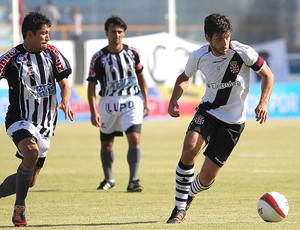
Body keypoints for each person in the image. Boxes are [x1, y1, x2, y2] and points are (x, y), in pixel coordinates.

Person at [166, 13, 274, 224]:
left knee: (206, 178)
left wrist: (263, 102)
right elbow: (184, 78)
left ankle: (188, 196)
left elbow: (268, 75)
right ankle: (179, 209)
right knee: (189, 149)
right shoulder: (199, 56)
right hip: (209, 112)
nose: (224, 43)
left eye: (226, 36)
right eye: (218, 38)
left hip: (233, 123)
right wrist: (173, 99)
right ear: (207, 38)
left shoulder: (243, 53)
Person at [0, 12, 74, 227]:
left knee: (30, 180)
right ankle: (19, 208)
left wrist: (66, 100)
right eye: (43, 33)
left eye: (48, 33)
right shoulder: (11, 58)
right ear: (29, 35)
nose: (47, 38)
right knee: (30, 153)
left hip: (45, 126)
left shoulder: (52, 53)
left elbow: (64, 84)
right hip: (19, 120)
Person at [87, 15, 150, 192]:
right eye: (113, 31)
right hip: (108, 103)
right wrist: (93, 111)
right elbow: (91, 85)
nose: (117, 35)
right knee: (107, 143)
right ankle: (109, 179)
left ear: (124, 33)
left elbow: (141, 76)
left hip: (131, 101)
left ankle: (133, 180)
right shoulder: (98, 58)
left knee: (134, 137)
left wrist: (146, 99)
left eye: (120, 32)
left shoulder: (132, 53)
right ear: (106, 33)